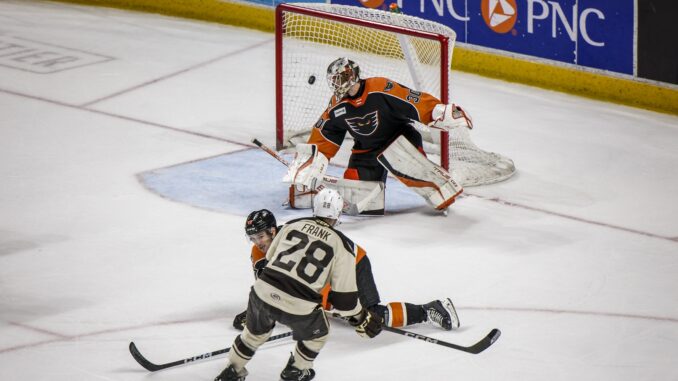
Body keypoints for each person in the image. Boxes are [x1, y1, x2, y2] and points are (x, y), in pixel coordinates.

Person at [215, 189, 382, 381]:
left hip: (261, 293)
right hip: (299, 303)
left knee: (252, 336)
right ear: (337, 215)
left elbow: (270, 259)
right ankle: (295, 370)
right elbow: (344, 301)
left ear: (314, 209)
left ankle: (231, 371)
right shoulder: (342, 245)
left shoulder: (292, 225)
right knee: (319, 334)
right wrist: (360, 317)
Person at [285, 57, 471, 214]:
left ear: (351, 75)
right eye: (334, 80)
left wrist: (438, 112)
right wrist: (312, 161)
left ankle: (443, 188)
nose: (336, 84)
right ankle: (311, 192)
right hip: (366, 150)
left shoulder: (380, 87)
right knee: (357, 199)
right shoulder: (337, 105)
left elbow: (411, 99)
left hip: (399, 140)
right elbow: (325, 133)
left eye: (340, 78)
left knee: (409, 168)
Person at [233, 208, 460, 333]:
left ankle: (429, 309)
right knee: (338, 310)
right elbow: (270, 288)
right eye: (252, 238)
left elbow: (309, 280)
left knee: (371, 316)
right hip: (329, 270)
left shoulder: (289, 241)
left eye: (260, 236)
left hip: (352, 262)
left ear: (273, 231)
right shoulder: (258, 253)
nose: (257, 242)